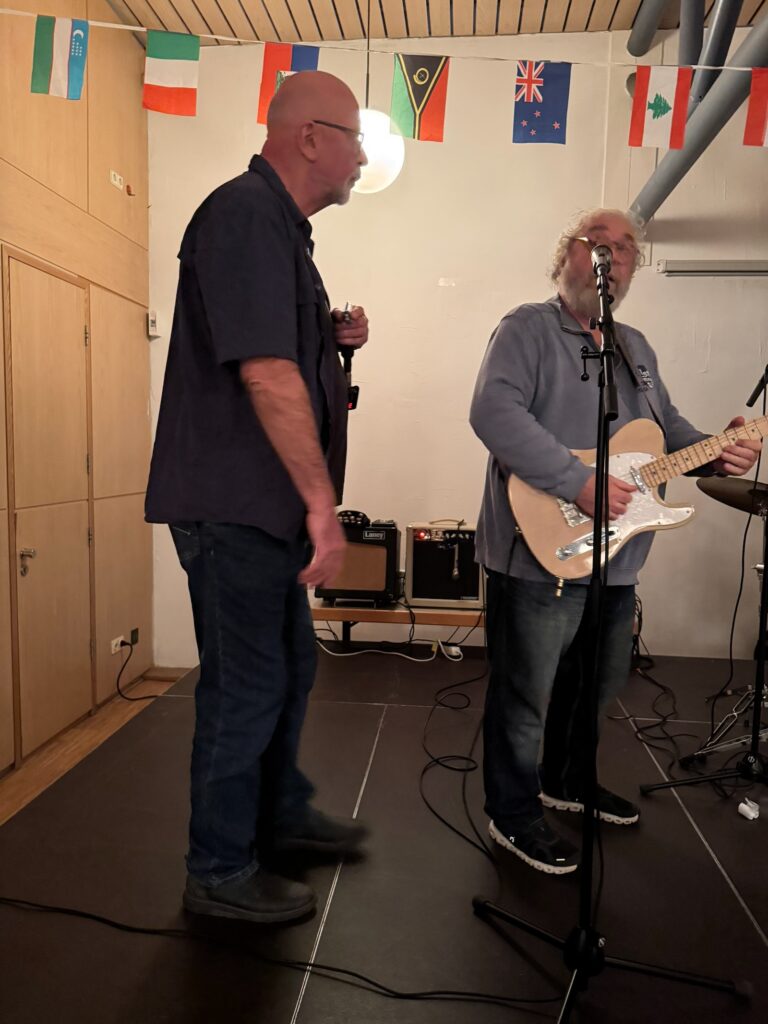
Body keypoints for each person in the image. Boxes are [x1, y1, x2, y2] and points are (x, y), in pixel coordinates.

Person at [469, 209, 761, 875]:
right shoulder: (526, 328)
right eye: (596, 243)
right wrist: (576, 481)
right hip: (537, 554)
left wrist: (717, 450)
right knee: (524, 697)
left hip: (617, 558)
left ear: (631, 269)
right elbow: (493, 412)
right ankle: (511, 814)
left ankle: (565, 782)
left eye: (625, 248)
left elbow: (665, 430)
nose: (612, 256)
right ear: (565, 257)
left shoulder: (635, 346)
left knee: (593, 688)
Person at [145, 72, 370, 922]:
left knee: (288, 671)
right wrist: (322, 505)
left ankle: (277, 817)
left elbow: (287, 359)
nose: (362, 157)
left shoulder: (282, 230)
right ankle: (218, 870)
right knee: (245, 686)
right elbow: (267, 374)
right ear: (310, 137)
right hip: (236, 506)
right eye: (355, 138)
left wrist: (334, 343)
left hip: (260, 510)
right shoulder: (244, 215)